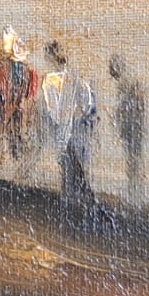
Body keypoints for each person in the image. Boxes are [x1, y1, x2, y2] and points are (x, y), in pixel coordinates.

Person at [35, 42, 98, 210]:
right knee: (79, 168)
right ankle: (81, 203)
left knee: (68, 169)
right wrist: (77, 117)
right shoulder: (76, 77)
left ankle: (69, 204)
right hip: (78, 131)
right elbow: (87, 104)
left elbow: (53, 111)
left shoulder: (50, 80)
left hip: (65, 130)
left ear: (50, 58)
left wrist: (60, 120)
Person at [0, 27, 39, 164]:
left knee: (12, 134)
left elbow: (29, 94)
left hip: (14, 108)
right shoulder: (6, 68)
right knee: (11, 135)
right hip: (11, 108)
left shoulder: (25, 71)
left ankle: (13, 157)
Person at [109, 54, 149, 194]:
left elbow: (125, 106)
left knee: (133, 158)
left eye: (112, 67)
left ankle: (135, 188)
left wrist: (118, 121)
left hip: (132, 127)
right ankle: (135, 187)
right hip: (134, 126)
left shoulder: (125, 83)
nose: (110, 71)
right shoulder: (129, 81)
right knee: (134, 157)